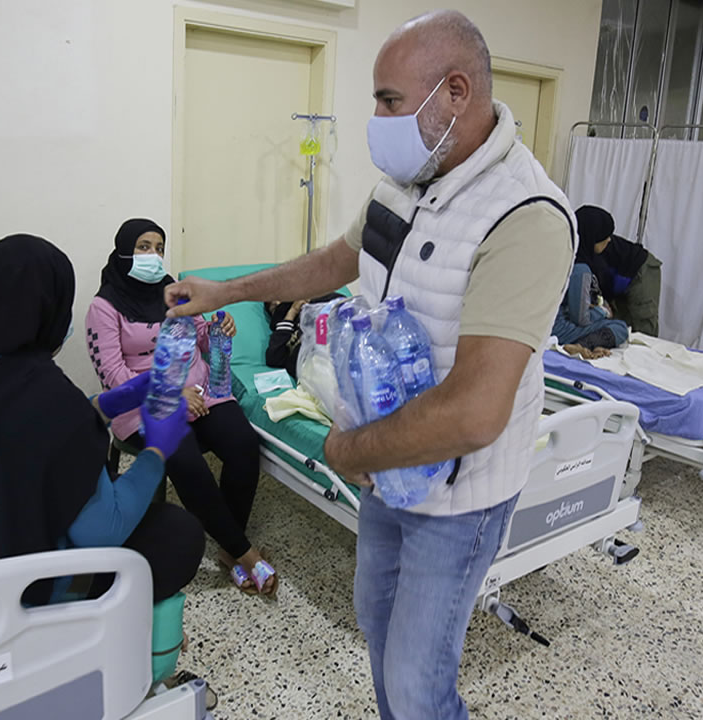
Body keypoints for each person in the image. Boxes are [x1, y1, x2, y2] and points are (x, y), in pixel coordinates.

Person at [163, 11, 573, 719]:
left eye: (389, 100)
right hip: (387, 467)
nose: (376, 119)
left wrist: (344, 448)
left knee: (417, 684)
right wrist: (225, 291)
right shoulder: (405, 183)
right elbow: (336, 261)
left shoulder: (525, 216)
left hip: (459, 492)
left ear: (454, 92)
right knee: (376, 625)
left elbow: (476, 412)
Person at [0, 234, 204, 608]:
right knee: (177, 533)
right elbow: (105, 531)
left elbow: (10, 430)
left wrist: (101, 406)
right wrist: (156, 452)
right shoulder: (50, 397)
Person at [85, 219, 274, 595]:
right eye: (143, 247)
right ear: (123, 252)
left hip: (201, 391)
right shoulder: (103, 308)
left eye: (159, 247)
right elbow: (113, 375)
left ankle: (228, 547)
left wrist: (218, 327)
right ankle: (245, 553)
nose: (153, 256)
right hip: (143, 404)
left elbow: (200, 335)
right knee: (186, 461)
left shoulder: (175, 294)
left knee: (242, 444)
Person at [574, 205, 663, 336]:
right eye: (606, 236)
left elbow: (597, 288)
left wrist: (600, 305)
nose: (609, 239)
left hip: (640, 272)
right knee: (618, 326)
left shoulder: (598, 256)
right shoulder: (583, 250)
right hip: (618, 281)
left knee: (643, 329)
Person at [551, 263, 628, 351]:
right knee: (620, 327)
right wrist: (603, 312)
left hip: (549, 326)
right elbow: (581, 319)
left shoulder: (561, 266)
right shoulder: (581, 270)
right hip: (560, 331)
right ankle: (582, 345)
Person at [265, 293, 344, 378]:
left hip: (339, 346)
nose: (278, 304)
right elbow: (274, 357)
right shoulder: (283, 331)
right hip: (317, 368)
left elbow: (342, 308)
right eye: (274, 308)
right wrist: (291, 313)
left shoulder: (315, 299)